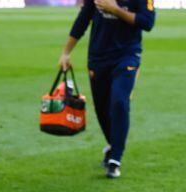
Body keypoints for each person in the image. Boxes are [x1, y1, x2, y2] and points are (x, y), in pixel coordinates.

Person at [59, 0, 155, 178]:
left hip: (127, 56)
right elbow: (83, 19)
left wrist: (115, 10)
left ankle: (115, 159)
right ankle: (113, 145)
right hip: (98, 58)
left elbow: (147, 22)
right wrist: (66, 52)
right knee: (102, 109)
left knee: (119, 102)